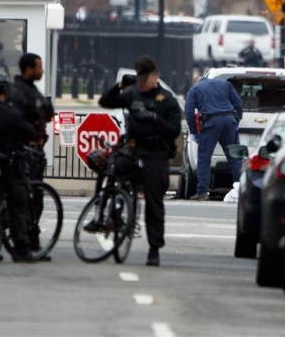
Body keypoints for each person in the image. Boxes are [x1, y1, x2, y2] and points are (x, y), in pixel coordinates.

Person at [98, 56, 181, 267]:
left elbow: (174, 131)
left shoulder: (167, 100)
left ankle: (154, 249)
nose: (143, 84)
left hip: (155, 156)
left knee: (154, 202)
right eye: (140, 80)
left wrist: (154, 119)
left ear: (155, 76)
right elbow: (105, 102)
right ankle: (104, 213)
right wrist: (119, 86)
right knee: (110, 166)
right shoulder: (132, 93)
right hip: (134, 152)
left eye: (146, 80)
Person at [0, 70, 42, 263]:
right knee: (17, 205)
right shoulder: (8, 112)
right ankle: (22, 251)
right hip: (7, 162)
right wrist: (35, 136)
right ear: (6, 89)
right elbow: (28, 131)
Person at [7, 53, 55, 259]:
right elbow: (20, 118)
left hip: (35, 150)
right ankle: (26, 242)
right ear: (28, 69)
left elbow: (46, 114)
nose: (41, 71)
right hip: (25, 151)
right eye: (38, 67)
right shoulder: (19, 92)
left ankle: (32, 241)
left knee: (35, 198)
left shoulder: (32, 90)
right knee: (27, 199)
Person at [184, 77, 243, 201]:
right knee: (235, 158)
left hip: (210, 124)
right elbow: (238, 103)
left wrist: (194, 131)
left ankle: (202, 192)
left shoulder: (194, 89)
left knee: (204, 159)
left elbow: (189, 112)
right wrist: (237, 118)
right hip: (229, 121)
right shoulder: (225, 84)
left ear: (197, 81)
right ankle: (241, 190)